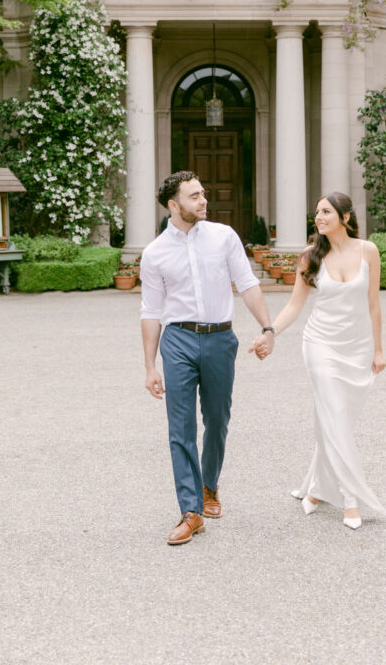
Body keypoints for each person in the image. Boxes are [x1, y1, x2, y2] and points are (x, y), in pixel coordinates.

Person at [140, 170, 275, 545]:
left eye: (203, 193)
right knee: (179, 427)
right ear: (173, 204)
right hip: (178, 340)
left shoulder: (223, 237)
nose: (203, 201)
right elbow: (150, 311)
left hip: (219, 339)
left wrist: (268, 328)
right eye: (194, 196)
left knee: (217, 419)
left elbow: (247, 283)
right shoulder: (154, 253)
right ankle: (191, 510)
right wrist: (150, 366)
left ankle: (209, 484)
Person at [250, 191, 386, 528]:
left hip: (356, 347)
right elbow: (295, 306)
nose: (319, 217)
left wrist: (379, 349)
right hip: (320, 344)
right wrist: (269, 332)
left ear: (346, 217)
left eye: (326, 212)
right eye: (317, 213)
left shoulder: (368, 251)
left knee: (336, 419)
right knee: (334, 417)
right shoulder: (310, 256)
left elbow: (374, 304)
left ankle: (315, 488)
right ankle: (351, 499)